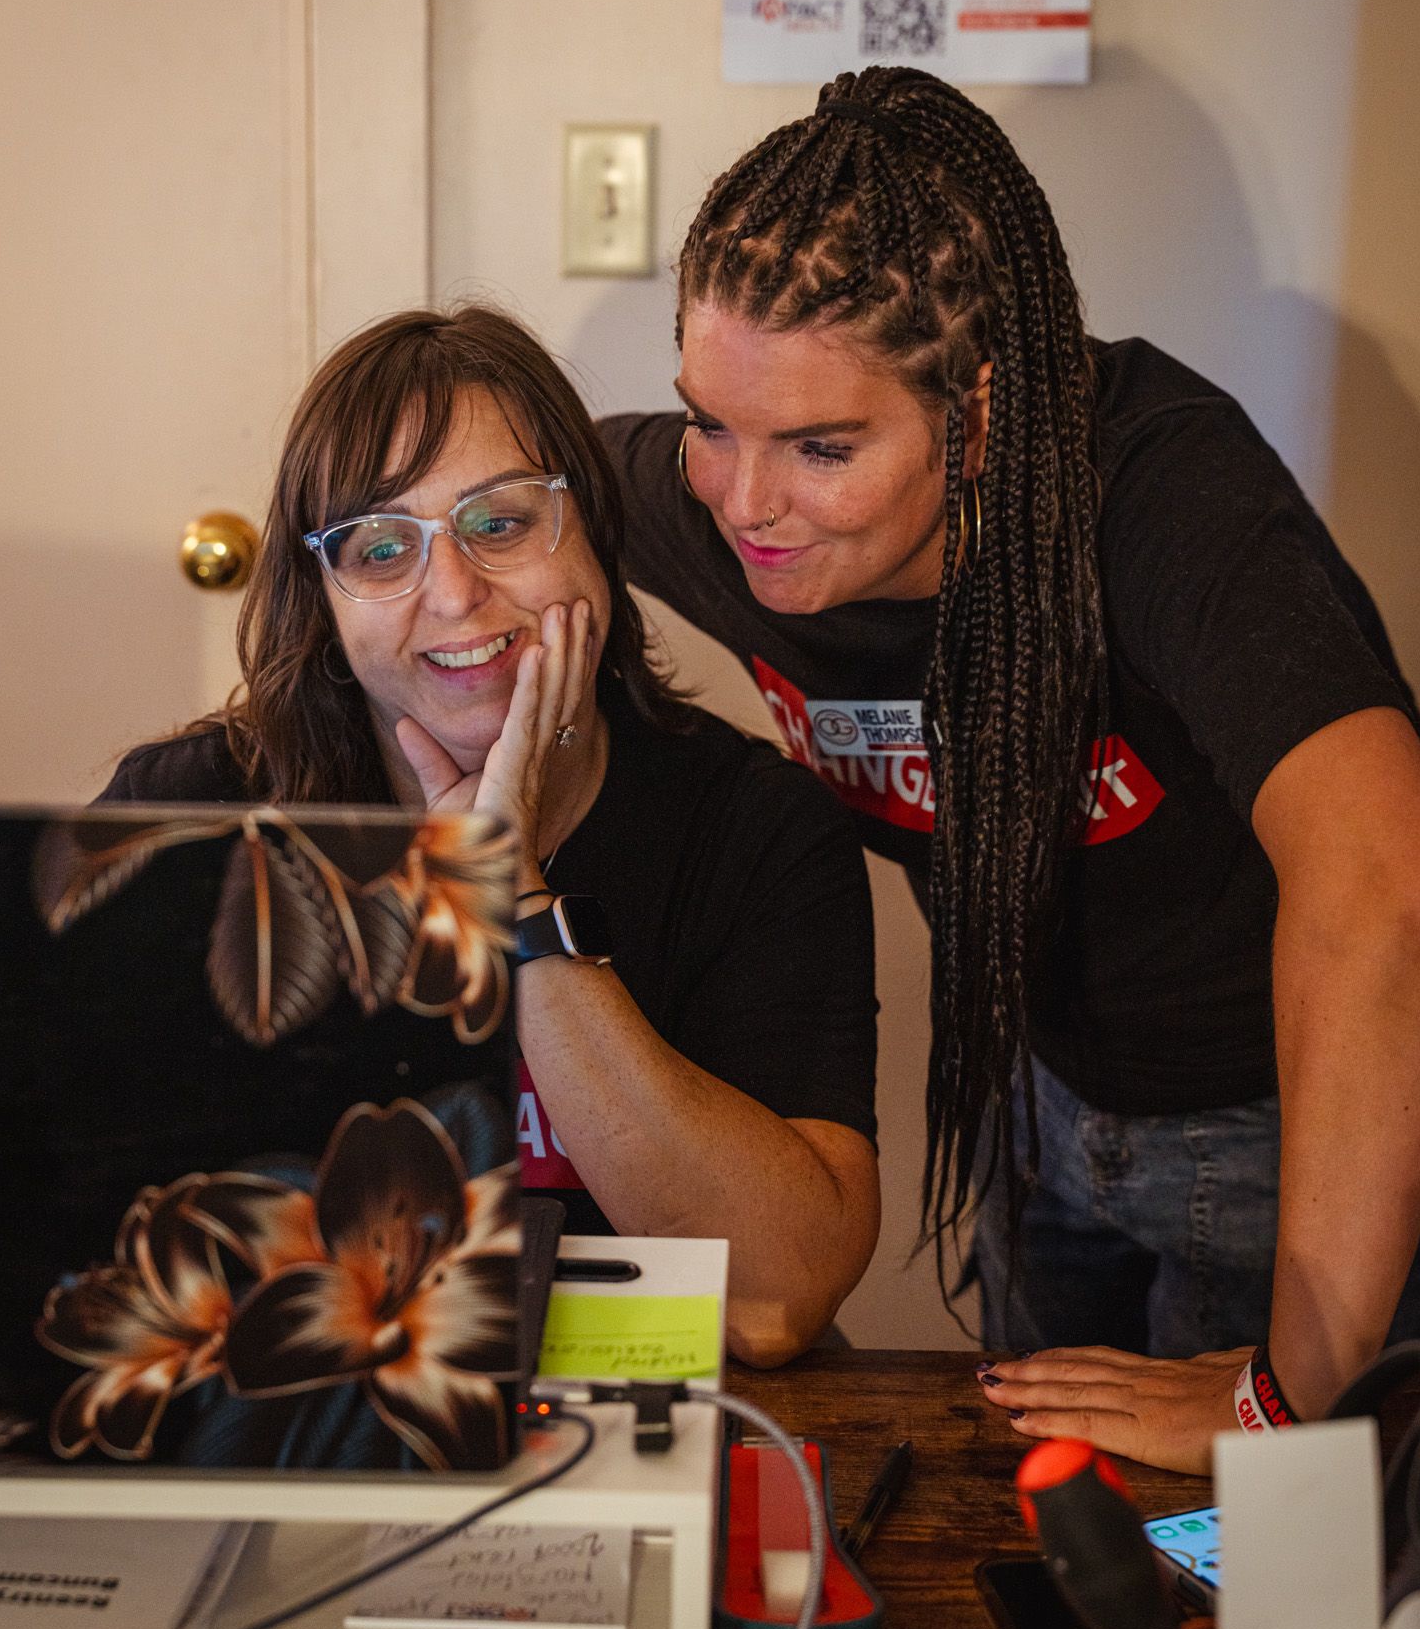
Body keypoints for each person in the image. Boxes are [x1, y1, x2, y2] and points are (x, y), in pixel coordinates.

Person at [598, 65, 1420, 1471]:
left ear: (982, 418)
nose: (745, 504)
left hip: (1286, 1142)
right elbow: (490, 497)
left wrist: (1293, 1403)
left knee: (1264, 1612)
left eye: (823, 448)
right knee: (1032, 1532)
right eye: (708, 419)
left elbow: (1400, 893)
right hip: (1033, 1105)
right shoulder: (716, 501)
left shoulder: (1164, 495)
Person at [104, 305, 881, 1367]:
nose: (457, 593)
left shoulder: (756, 826)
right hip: (300, 1399)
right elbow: (69, 1221)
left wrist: (508, 894)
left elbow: (774, 1301)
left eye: (502, 522)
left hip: (654, 1396)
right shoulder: (187, 819)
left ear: (598, 536)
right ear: (323, 601)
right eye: (382, 547)